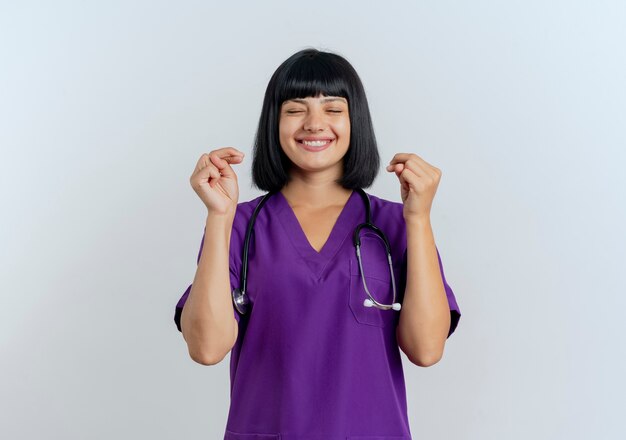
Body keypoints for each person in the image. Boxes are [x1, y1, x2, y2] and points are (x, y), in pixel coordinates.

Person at [174, 48, 461, 440]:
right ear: (273, 122)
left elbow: (426, 350)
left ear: (354, 119)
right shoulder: (239, 224)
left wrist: (419, 218)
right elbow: (206, 349)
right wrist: (219, 216)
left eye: (332, 108)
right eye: (295, 109)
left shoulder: (397, 223)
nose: (313, 123)